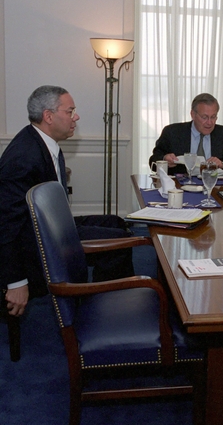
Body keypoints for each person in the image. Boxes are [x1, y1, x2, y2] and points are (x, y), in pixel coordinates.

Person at [0, 85, 134, 317]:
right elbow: (6, 223)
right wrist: (16, 282)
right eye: (70, 111)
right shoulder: (23, 158)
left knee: (115, 222)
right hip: (38, 246)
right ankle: (107, 312)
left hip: (52, 228)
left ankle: (99, 296)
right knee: (122, 242)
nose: (76, 117)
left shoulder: (41, 141)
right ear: (48, 116)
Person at [149, 93, 223, 174]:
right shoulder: (172, 132)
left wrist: (222, 164)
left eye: (213, 117)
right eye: (204, 117)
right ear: (193, 114)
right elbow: (153, 160)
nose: (209, 122)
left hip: (213, 186)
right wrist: (165, 160)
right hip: (179, 188)